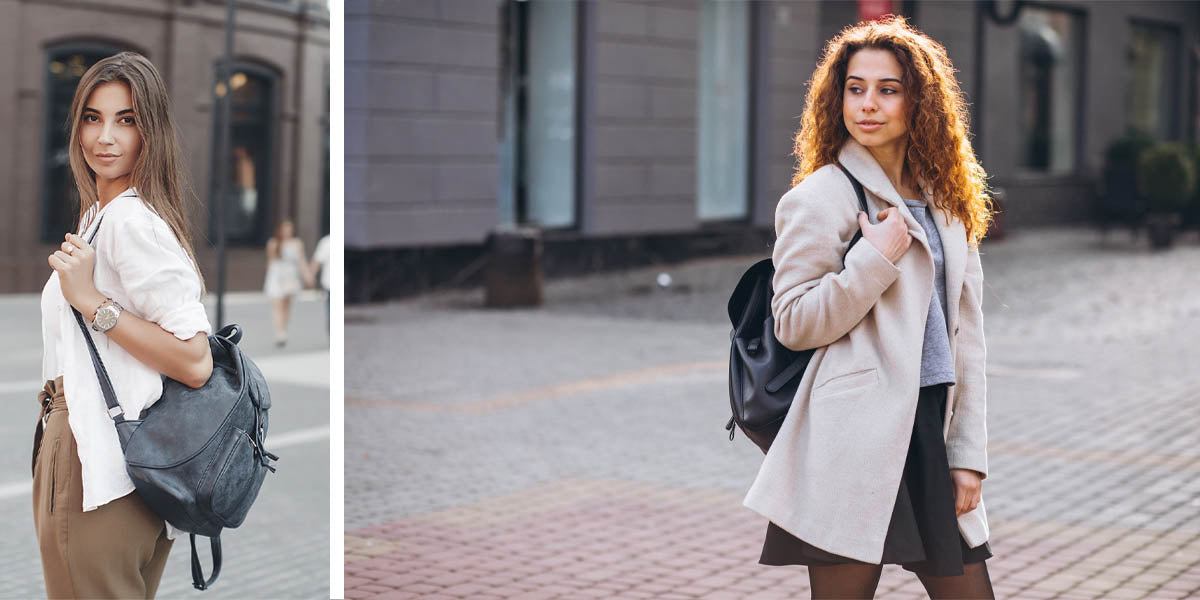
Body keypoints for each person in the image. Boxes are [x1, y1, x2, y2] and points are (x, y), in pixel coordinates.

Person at [742, 16, 996, 599]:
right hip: (854, 436)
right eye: (855, 88)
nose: (868, 105)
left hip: (929, 427)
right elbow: (796, 323)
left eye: (888, 89)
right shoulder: (819, 196)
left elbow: (969, 340)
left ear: (920, 101)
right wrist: (873, 261)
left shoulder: (947, 204)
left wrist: (969, 456)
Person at [36, 51, 213, 597]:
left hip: (99, 462)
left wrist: (91, 301)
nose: (104, 137)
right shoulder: (102, 215)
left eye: (126, 120)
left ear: (150, 131)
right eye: (93, 117)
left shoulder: (131, 221)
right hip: (97, 450)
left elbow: (194, 360)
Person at [264, 219, 311, 347]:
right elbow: (270, 261)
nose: (287, 231)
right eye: (285, 229)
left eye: (289, 229)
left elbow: (301, 261)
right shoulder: (273, 243)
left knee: (286, 306)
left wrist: (307, 275)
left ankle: (283, 329)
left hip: (290, 277)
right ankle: (279, 333)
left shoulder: (297, 243)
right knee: (277, 305)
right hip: (276, 275)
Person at [311, 233, 330, 334]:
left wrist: (312, 275)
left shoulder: (326, 241)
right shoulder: (326, 242)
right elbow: (317, 260)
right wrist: (312, 275)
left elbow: (317, 261)